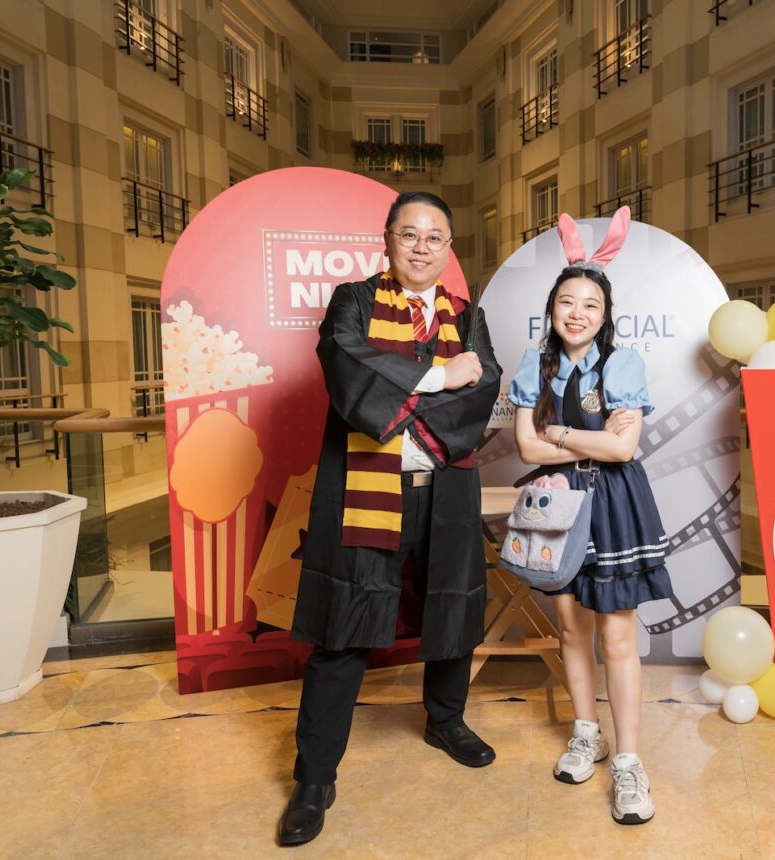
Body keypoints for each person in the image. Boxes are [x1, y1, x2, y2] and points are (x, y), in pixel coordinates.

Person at [279, 191, 502, 846]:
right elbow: (347, 364)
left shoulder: (468, 315)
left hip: (447, 489)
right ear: (387, 239)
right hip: (365, 485)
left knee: (452, 607)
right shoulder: (353, 301)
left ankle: (445, 720)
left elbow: (485, 383)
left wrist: (420, 386)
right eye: (410, 234)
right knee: (344, 624)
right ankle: (315, 776)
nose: (422, 246)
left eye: (435, 237)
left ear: (449, 248)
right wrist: (438, 377)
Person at [507, 207, 672, 825]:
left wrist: (558, 432)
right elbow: (526, 450)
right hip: (558, 505)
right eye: (567, 302)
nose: (577, 313)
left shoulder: (622, 363)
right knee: (572, 631)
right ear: (552, 309)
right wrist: (588, 439)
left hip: (613, 503)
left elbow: (623, 451)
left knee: (618, 637)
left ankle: (628, 762)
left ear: (605, 315)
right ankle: (587, 733)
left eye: (590, 305)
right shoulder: (534, 364)